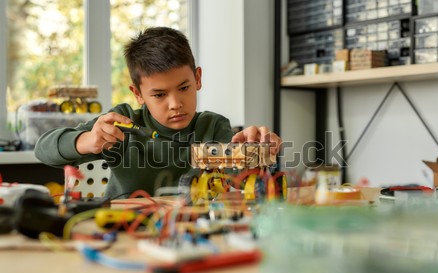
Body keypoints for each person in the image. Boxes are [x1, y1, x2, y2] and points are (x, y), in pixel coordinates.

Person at [35, 26, 282, 199]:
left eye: (183, 87)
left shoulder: (213, 127)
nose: (175, 103)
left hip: (195, 234)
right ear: (138, 94)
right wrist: (86, 140)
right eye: (159, 95)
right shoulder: (122, 124)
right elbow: (43, 149)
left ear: (197, 78)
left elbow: (238, 180)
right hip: (127, 233)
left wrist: (257, 154)